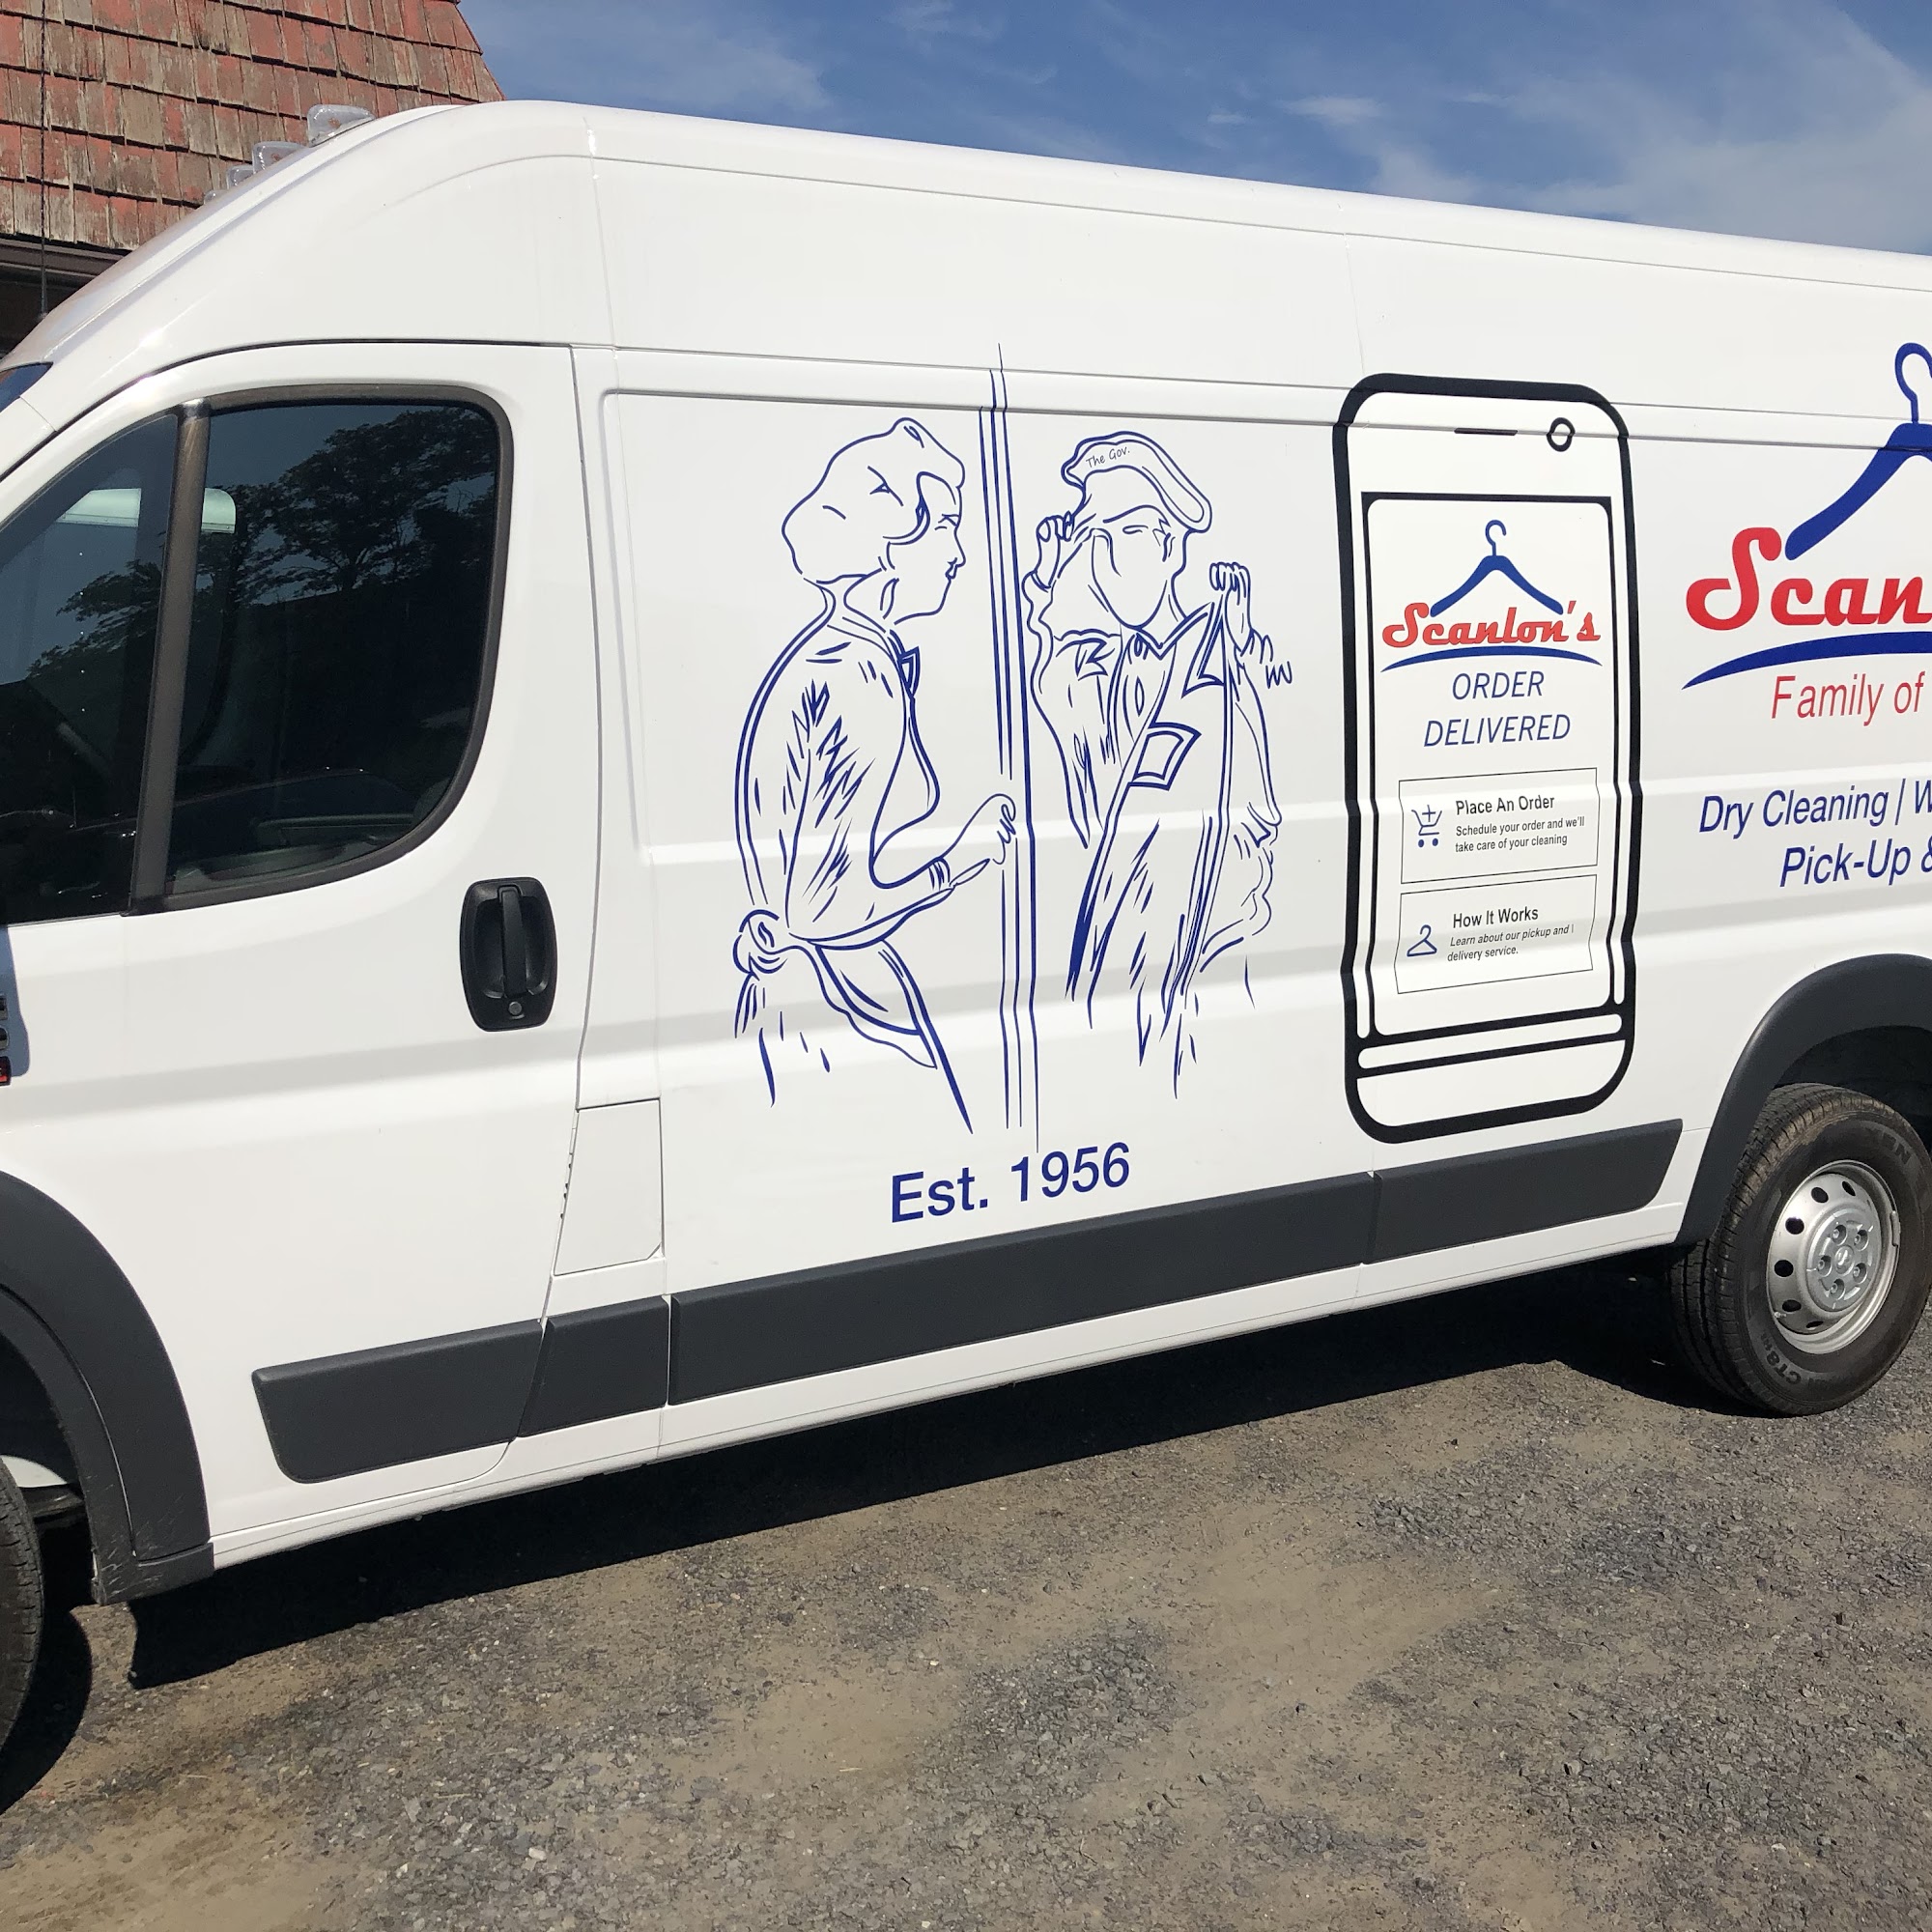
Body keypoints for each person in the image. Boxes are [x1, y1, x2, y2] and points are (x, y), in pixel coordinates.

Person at [734, 418, 1014, 1125]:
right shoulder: (855, 675)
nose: (958, 553)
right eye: (944, 527)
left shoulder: (846, 655)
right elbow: (824, 910)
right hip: (838, 1000)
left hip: (828, 988)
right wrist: (964, 858)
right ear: (888, 545)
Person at [1023, 432, 1282, 1089]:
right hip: (1122, 980)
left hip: (1206, 978)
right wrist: (1047, 585)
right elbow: (1058, 681)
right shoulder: (1101, 672)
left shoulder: (1214, 668)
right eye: (1092, 536)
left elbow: (1254, 818)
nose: (1105, 558)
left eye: (1128, 533)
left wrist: (1243, 645)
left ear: (1170, 547)